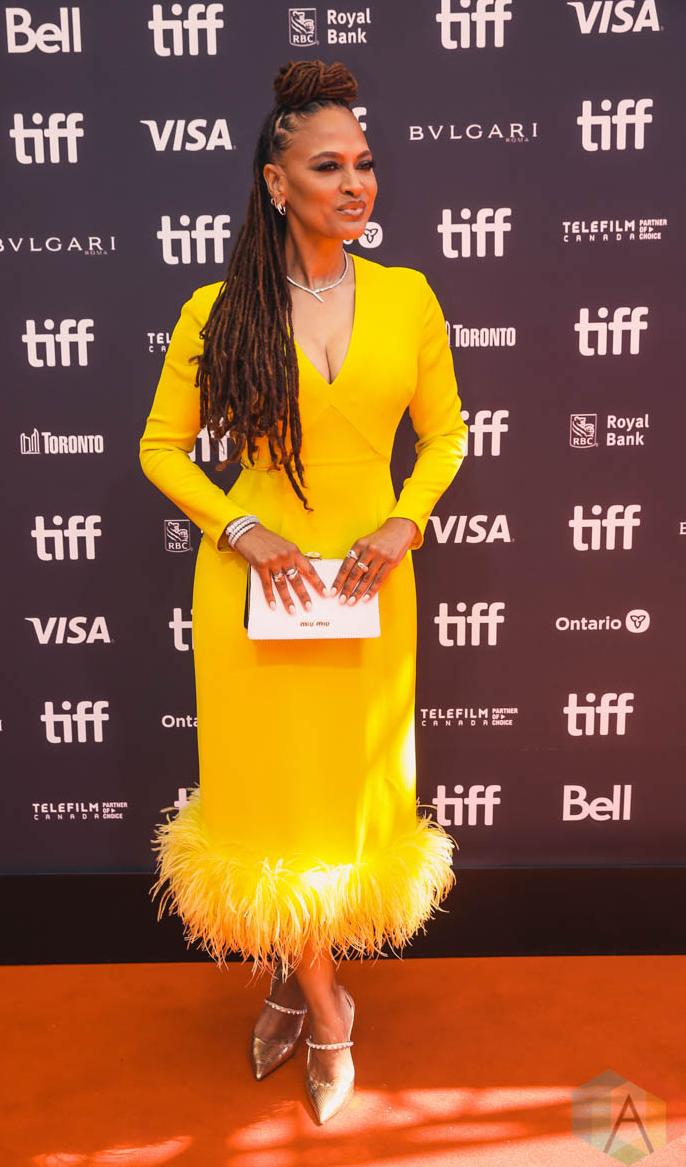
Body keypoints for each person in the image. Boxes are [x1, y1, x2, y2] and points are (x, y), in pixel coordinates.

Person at [138, 59, 468, 1125]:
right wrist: (241, 528)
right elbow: (160, 448)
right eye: (328, 167)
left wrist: (404, 519)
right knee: (272, 799)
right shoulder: (217, 310)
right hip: (255, 589)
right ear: (275, 183)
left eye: (363, 163)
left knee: (339, 802)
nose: (354, 183)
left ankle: (293, 976)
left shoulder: (409, 297)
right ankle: (325, 1001)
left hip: (370, 581)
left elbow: (447, 435)